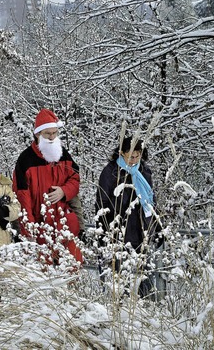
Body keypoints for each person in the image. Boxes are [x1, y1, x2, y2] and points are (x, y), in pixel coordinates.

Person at [12, 109, 83, 264]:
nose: (52, 137)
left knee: (72, 269)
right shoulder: (25, 160)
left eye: (54, 133)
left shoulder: (63, 154)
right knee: (44, 275)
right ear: (38, 134)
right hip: (40, 227)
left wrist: (64, 191)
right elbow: (23, 199)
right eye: (47, 134)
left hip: (65, 225)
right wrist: (29, 231)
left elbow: (75, 178)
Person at [95, 136, 160, 297]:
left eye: (138, 155)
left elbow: (151, 200)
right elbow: (101, 203)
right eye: (131, 156)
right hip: (117, 231)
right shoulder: (110, 172)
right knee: (117, 279)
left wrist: (156, 227)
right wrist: (106, 230)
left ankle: (142, 308)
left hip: (140, 229)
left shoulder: (144, 171)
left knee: (142, 278)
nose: (134, 159)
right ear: (122, 153)